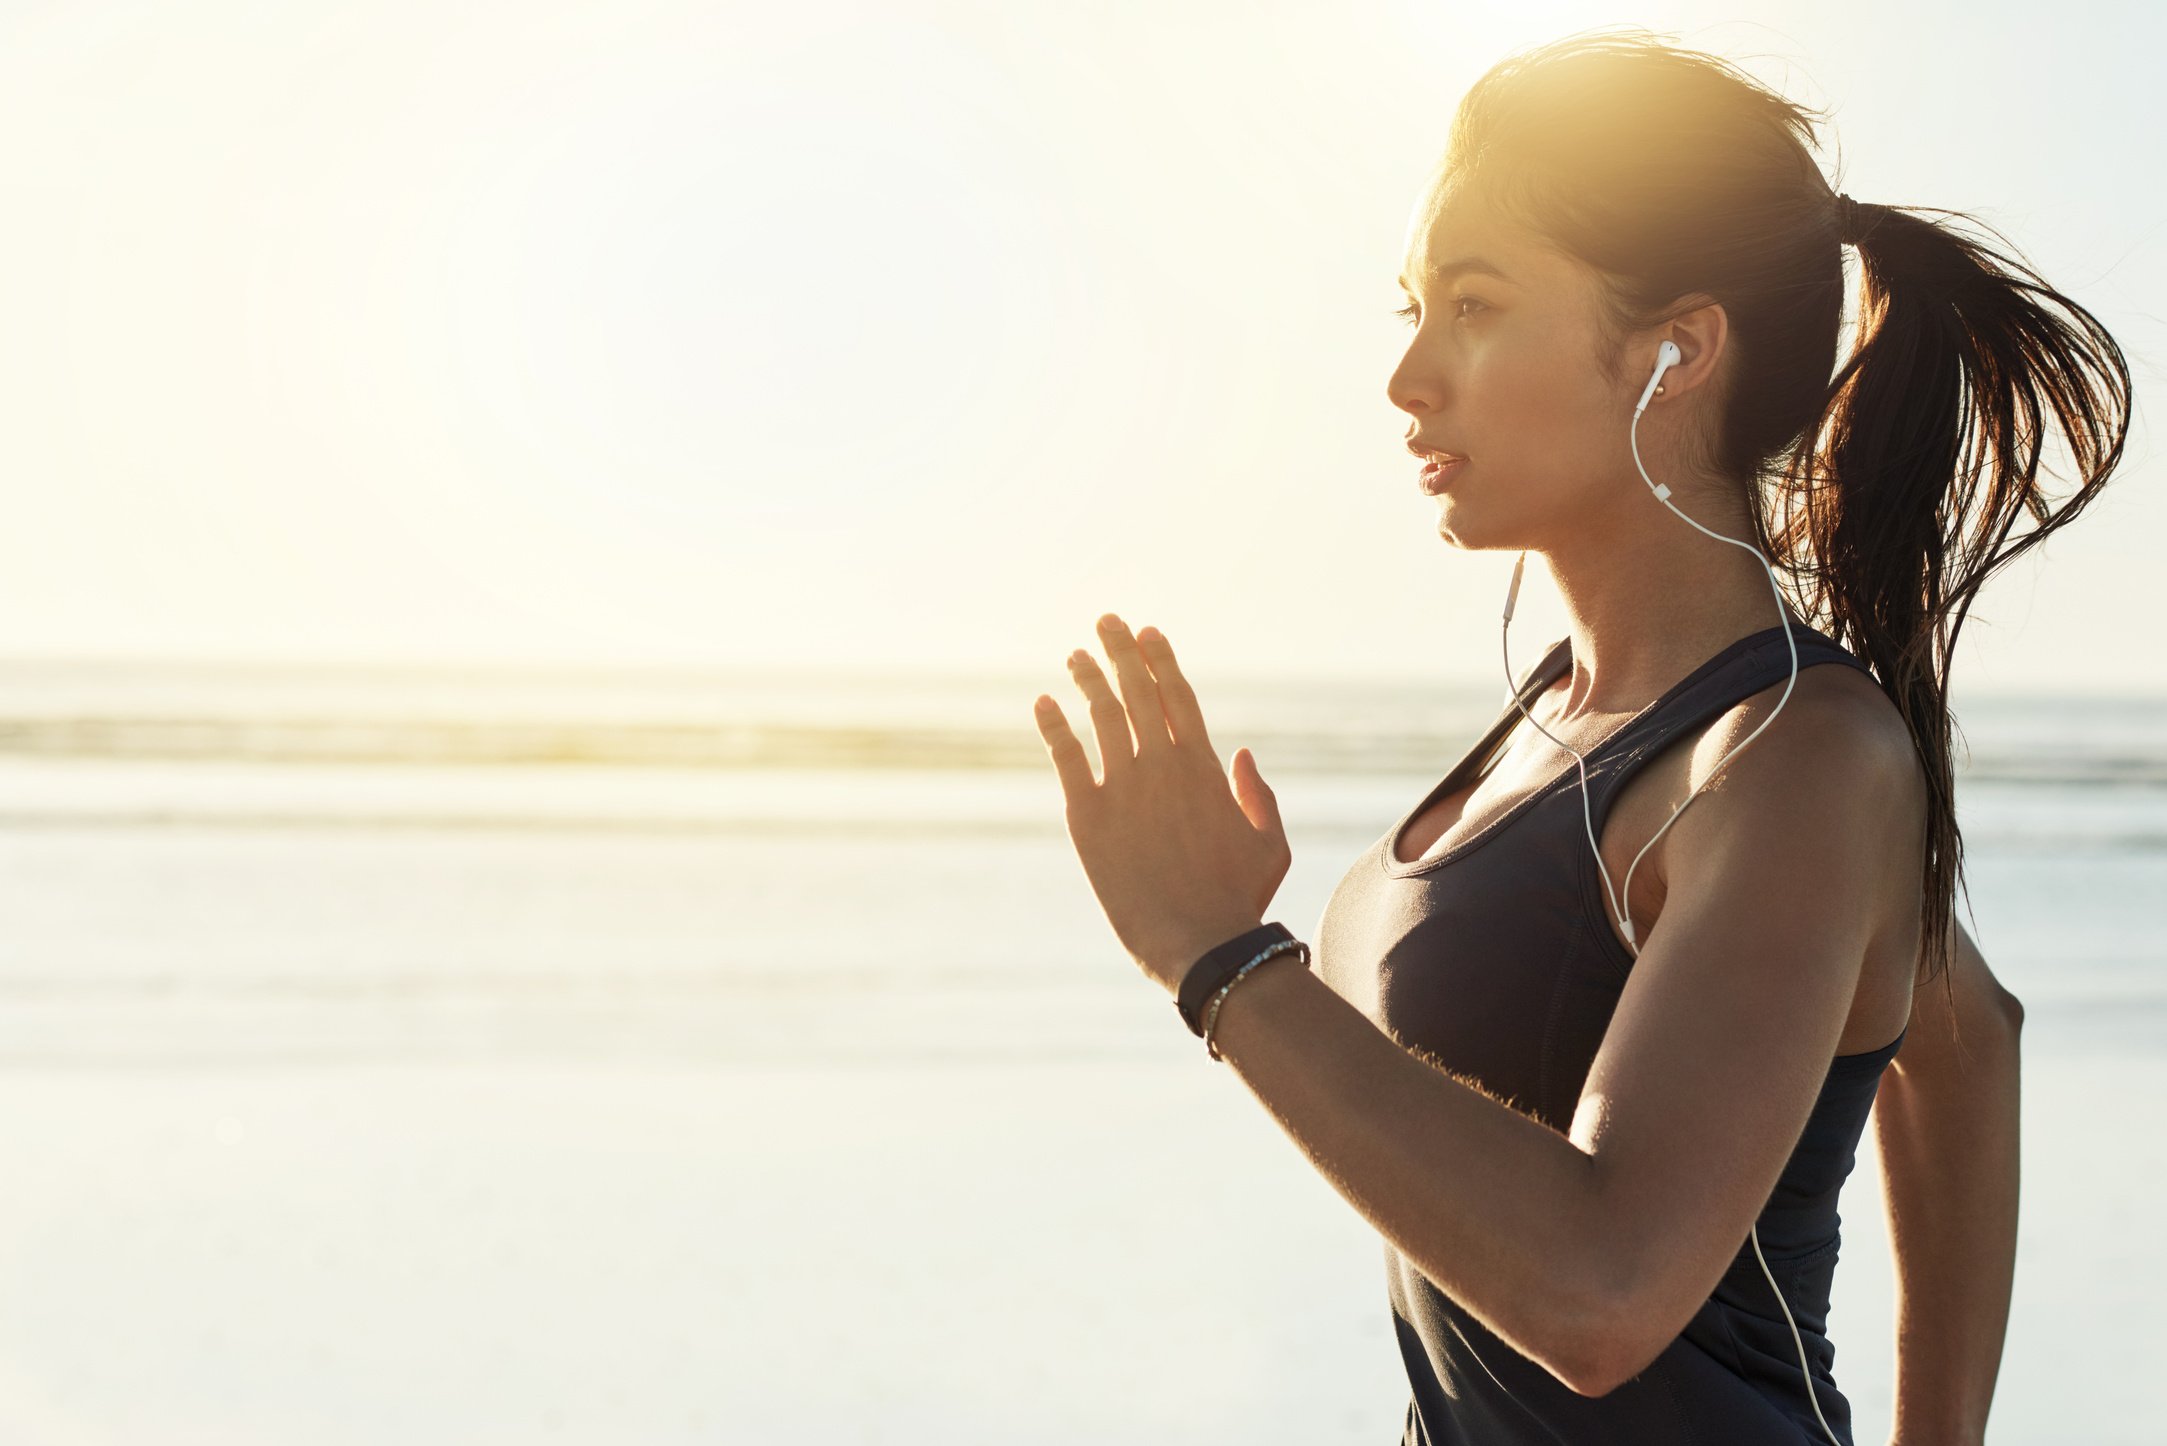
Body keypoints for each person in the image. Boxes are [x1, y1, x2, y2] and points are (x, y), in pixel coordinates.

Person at [1031, 27, 2130, 1446]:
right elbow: (1968, 1035)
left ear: (1674, 350)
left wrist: (1224, 959)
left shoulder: (1798, 759)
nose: (1408, 375)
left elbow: (1602, 1290)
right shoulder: (1559, 723)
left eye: (1475, 305)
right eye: (1413, 307)